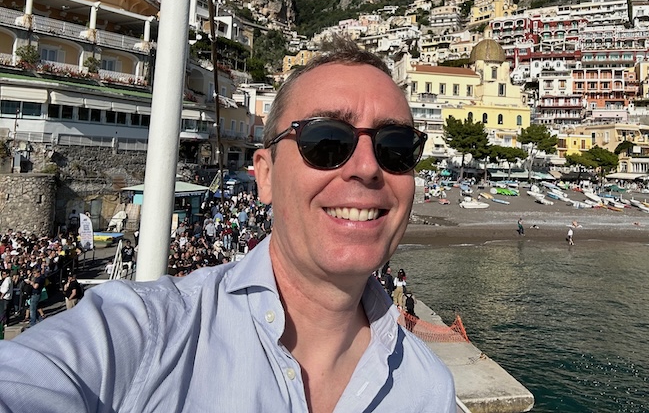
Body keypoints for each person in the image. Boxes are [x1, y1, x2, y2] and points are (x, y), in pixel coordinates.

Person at [0, 38, 456, 412]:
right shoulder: (148, 333)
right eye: (327, 140)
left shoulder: (428, 390)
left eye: (394, 146)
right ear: (266, 174)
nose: (367, 169)